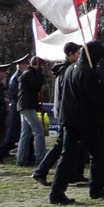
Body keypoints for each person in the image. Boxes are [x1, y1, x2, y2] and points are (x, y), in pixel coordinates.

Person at [49, 41, 104, 205]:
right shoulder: (90, 73)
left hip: (69, 119)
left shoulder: (70, 69)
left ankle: (56, 193)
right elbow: (97, 99)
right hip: (86, 120)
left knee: (67, 156)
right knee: (97, 155)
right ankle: (96, 189)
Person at [32, 43, 81, 186]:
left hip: (64, 111)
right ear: (70, 54)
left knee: (66, 144)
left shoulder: (63, 69)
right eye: (77, 54)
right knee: (61, 144)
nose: (79, 56)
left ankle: (71, 173)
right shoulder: (66, 70)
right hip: (66, 113)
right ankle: (41, 171)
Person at [16, 57, 47, 168]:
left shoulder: (27, 73)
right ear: (37, 65)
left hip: (25, 105)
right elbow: (36, 86)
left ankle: (21, 159)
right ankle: (41, 158)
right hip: (27, 106)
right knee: (39, 131)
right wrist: (40, 74)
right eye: (41, 65)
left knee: (25, 133)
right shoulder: (29, 74)